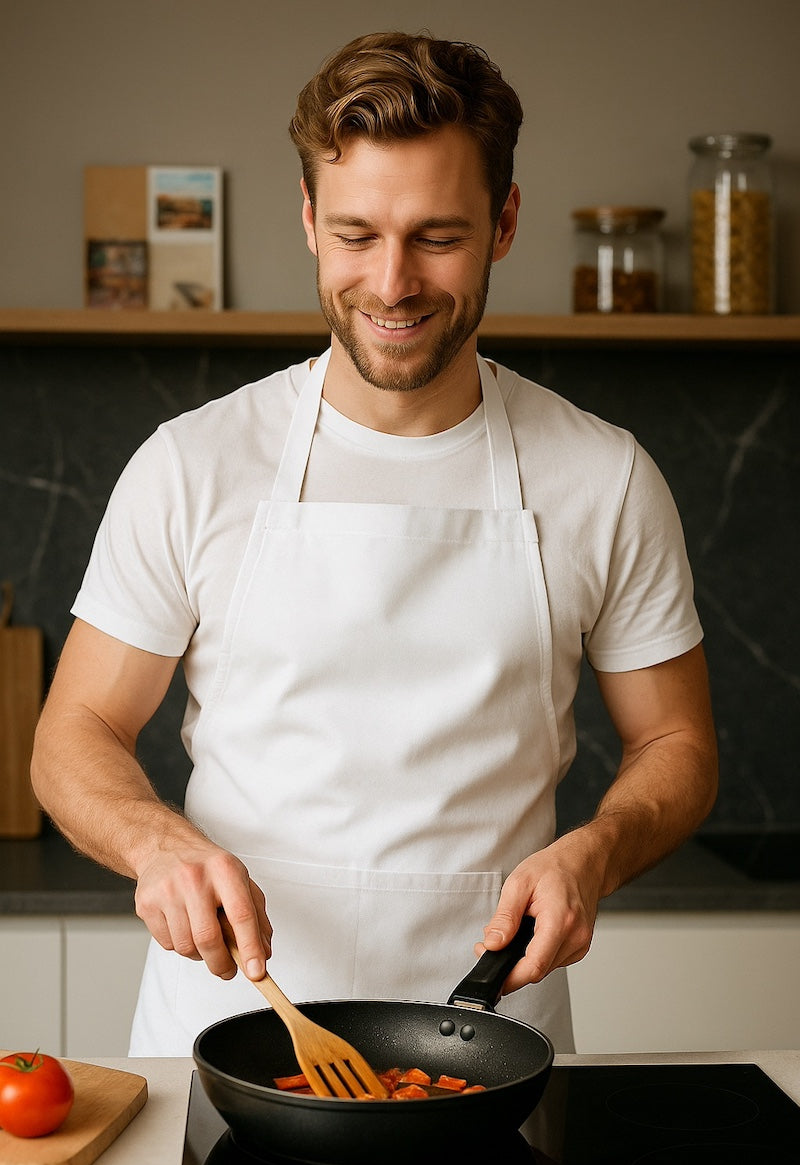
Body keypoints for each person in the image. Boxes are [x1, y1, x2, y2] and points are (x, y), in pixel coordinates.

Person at [31, 31, 717, 1057]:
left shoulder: (602, 477)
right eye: (356, 234)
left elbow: (676, 745)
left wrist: (593, 853)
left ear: (503, 223)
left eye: (436, 235)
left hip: (487, 1042)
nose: (391, 283)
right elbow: (71, 734)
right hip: (230, 1030)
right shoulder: (193, 464)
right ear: (308, 221)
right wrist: (152, 841)